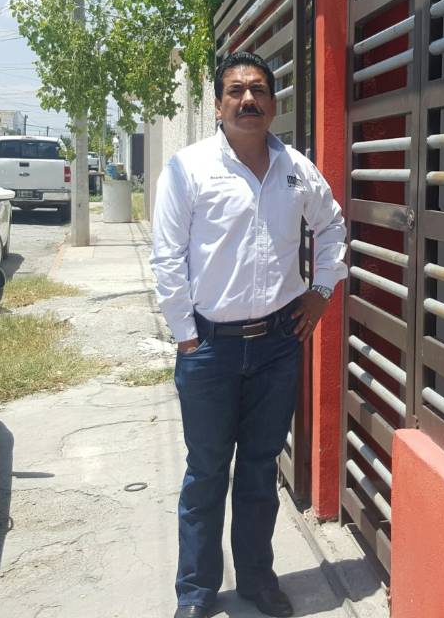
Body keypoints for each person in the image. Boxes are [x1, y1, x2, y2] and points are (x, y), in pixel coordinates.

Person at [151, 51, 347, 618]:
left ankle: (259, 581)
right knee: (207, 473)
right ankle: (195, 592)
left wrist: (322, 290)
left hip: (276, 346)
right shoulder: (189, 170)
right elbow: (167, 258)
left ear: (274, 104)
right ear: (217, 104)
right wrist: (187, 337)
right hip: (209, 349)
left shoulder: (296, 170)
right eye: (235, 91)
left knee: (261, 471)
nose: (248, 100)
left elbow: (331, 226)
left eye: (258, 90)